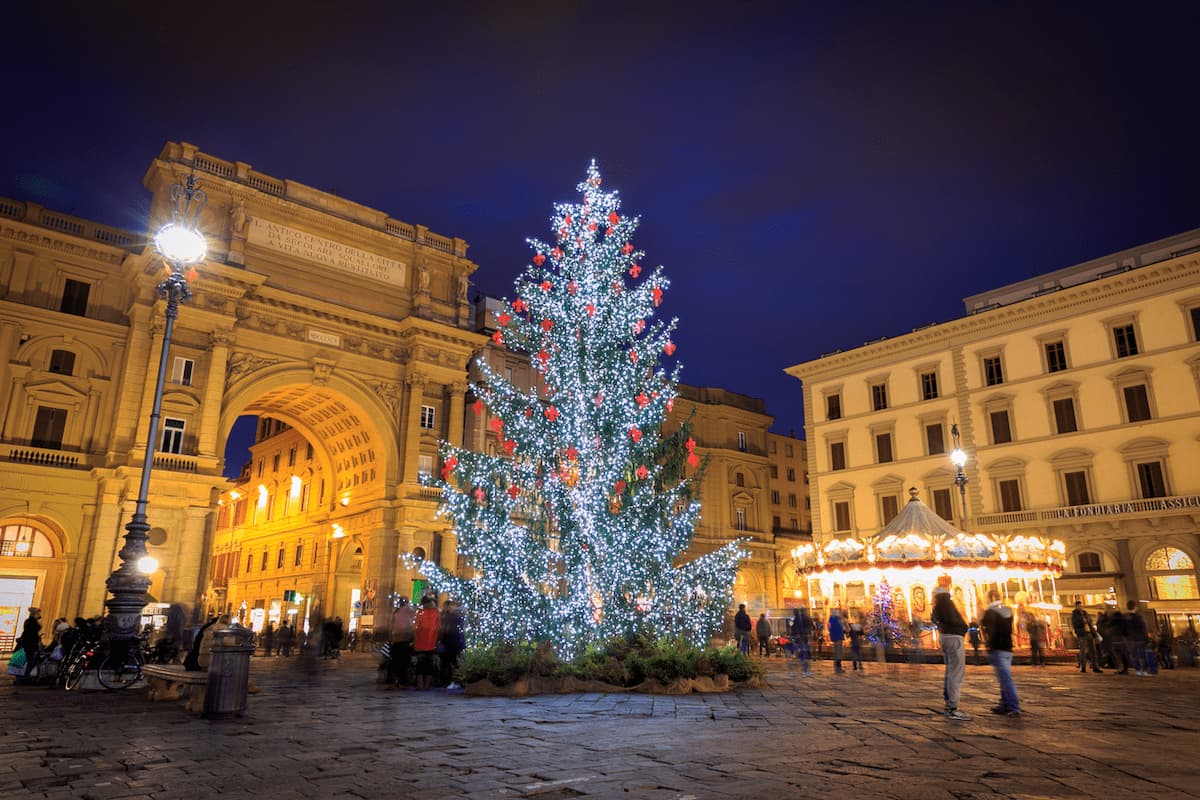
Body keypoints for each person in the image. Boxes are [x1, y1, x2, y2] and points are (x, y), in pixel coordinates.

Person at [930, 578, 970, 721]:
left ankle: (949, 703)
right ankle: (953, 707)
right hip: (954, 638)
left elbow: (934, 618)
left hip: (945, 637)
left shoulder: (937, 606)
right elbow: (955, 620)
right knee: (956, 672)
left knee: (950, 671)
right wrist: (963, 627)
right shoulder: (947, 604)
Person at [981, 591, 1020, 717]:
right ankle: (1004, 703)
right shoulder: (1007, 610)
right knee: (1004, 678)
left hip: (997, 647)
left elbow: (990, 629)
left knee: (1005, 679)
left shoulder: (991, 612)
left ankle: (1013, 706)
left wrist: (989, 645)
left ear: (991, 598)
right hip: (1008, 647)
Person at [413, 596, 441, 690]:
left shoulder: (420, 613)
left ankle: (420, 685)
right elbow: (439, 627)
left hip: (420, 643)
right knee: (429, 664)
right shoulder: (437, 613)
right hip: (432, 643)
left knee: (420, 664)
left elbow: (416, 627)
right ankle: (427, 685)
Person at [389, 598, 416, 687]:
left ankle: (395, 679)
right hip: (405, 639)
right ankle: (403, 680)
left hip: (396, 640)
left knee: (396, 661)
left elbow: (391, 626)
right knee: (404, 661)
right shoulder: (408, 611)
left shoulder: (395, 612)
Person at [439, 599, 466, 688]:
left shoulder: (450, 616)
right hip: (452, 641)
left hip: (452, 641)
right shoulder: (450, 616)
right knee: (450, 662)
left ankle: (449, 681)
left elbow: (445, 629)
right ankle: (451, 681)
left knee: (449, 662)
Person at [1070, 601, 1102, 673]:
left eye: (1081, 606)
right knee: (1083, 651)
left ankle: (1095, 667)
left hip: (1089, 633)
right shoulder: (1075, 615)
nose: (1081, 607)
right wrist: (1082, 621)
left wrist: (1095, 634)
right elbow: (1075, 624)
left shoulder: (1085, 613)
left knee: (1093, 651)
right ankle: (1083, 667)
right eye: (1079, 606)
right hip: (1082, 634)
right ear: (1076, 606)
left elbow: (1090, 623)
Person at [15, 607, 43, 681]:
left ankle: (23, 677)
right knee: (29, 661)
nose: (39, 615)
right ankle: (23, 677)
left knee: (28, 661)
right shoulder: (31, 621)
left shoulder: (30, 621)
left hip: (29, 644)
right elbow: (31, 633)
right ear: (34, 614)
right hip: (29, 644)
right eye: (38, 613)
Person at [1125, 601, 1149, 676]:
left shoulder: (1125, 618)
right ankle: (1144, 670)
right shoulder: (1138, 617)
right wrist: (1146, 638)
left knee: (1134, 655)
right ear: (1135, 607)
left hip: (1130, 639)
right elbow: (1143, 628)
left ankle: (1138, 670)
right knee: (1142, 655)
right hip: (1139, 638)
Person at [794, 607, 814, 676]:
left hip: (801, 635)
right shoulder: (808, 617)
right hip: (807, 635)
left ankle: (803, 658)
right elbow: (812, 626)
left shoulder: (799, 618)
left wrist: (797, 634)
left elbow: (796, 626)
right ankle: (805, 665)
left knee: (802, 648)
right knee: (806, 648)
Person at [827, 609, 845, 674]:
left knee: (837, 653)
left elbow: (829, 629)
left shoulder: (831, 620)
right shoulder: (837, 620)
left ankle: (836, 667)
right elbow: (841, 629)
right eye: (838, 613)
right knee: (839, 653)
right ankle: (838, 667)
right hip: (838, 638)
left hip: (835, 638)